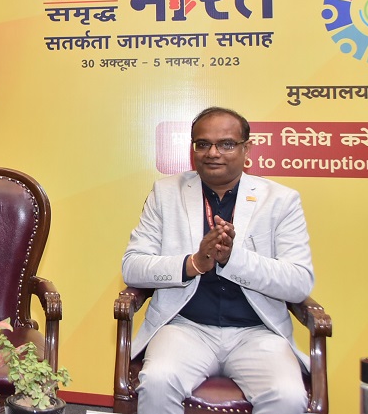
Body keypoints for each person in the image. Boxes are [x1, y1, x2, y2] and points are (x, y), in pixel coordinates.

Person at [122, 106, 315, 414]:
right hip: (185, 327)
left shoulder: (280, 200)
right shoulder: (166, 193)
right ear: (192, 148)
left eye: (226, 144)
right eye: (203, 144)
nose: (213, 153)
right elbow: (132, 266)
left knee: (288, 396)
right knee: (158, 381)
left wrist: (233, 259)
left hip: (258, 332)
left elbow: (299, 282)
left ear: (246, 148)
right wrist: (193, 264)